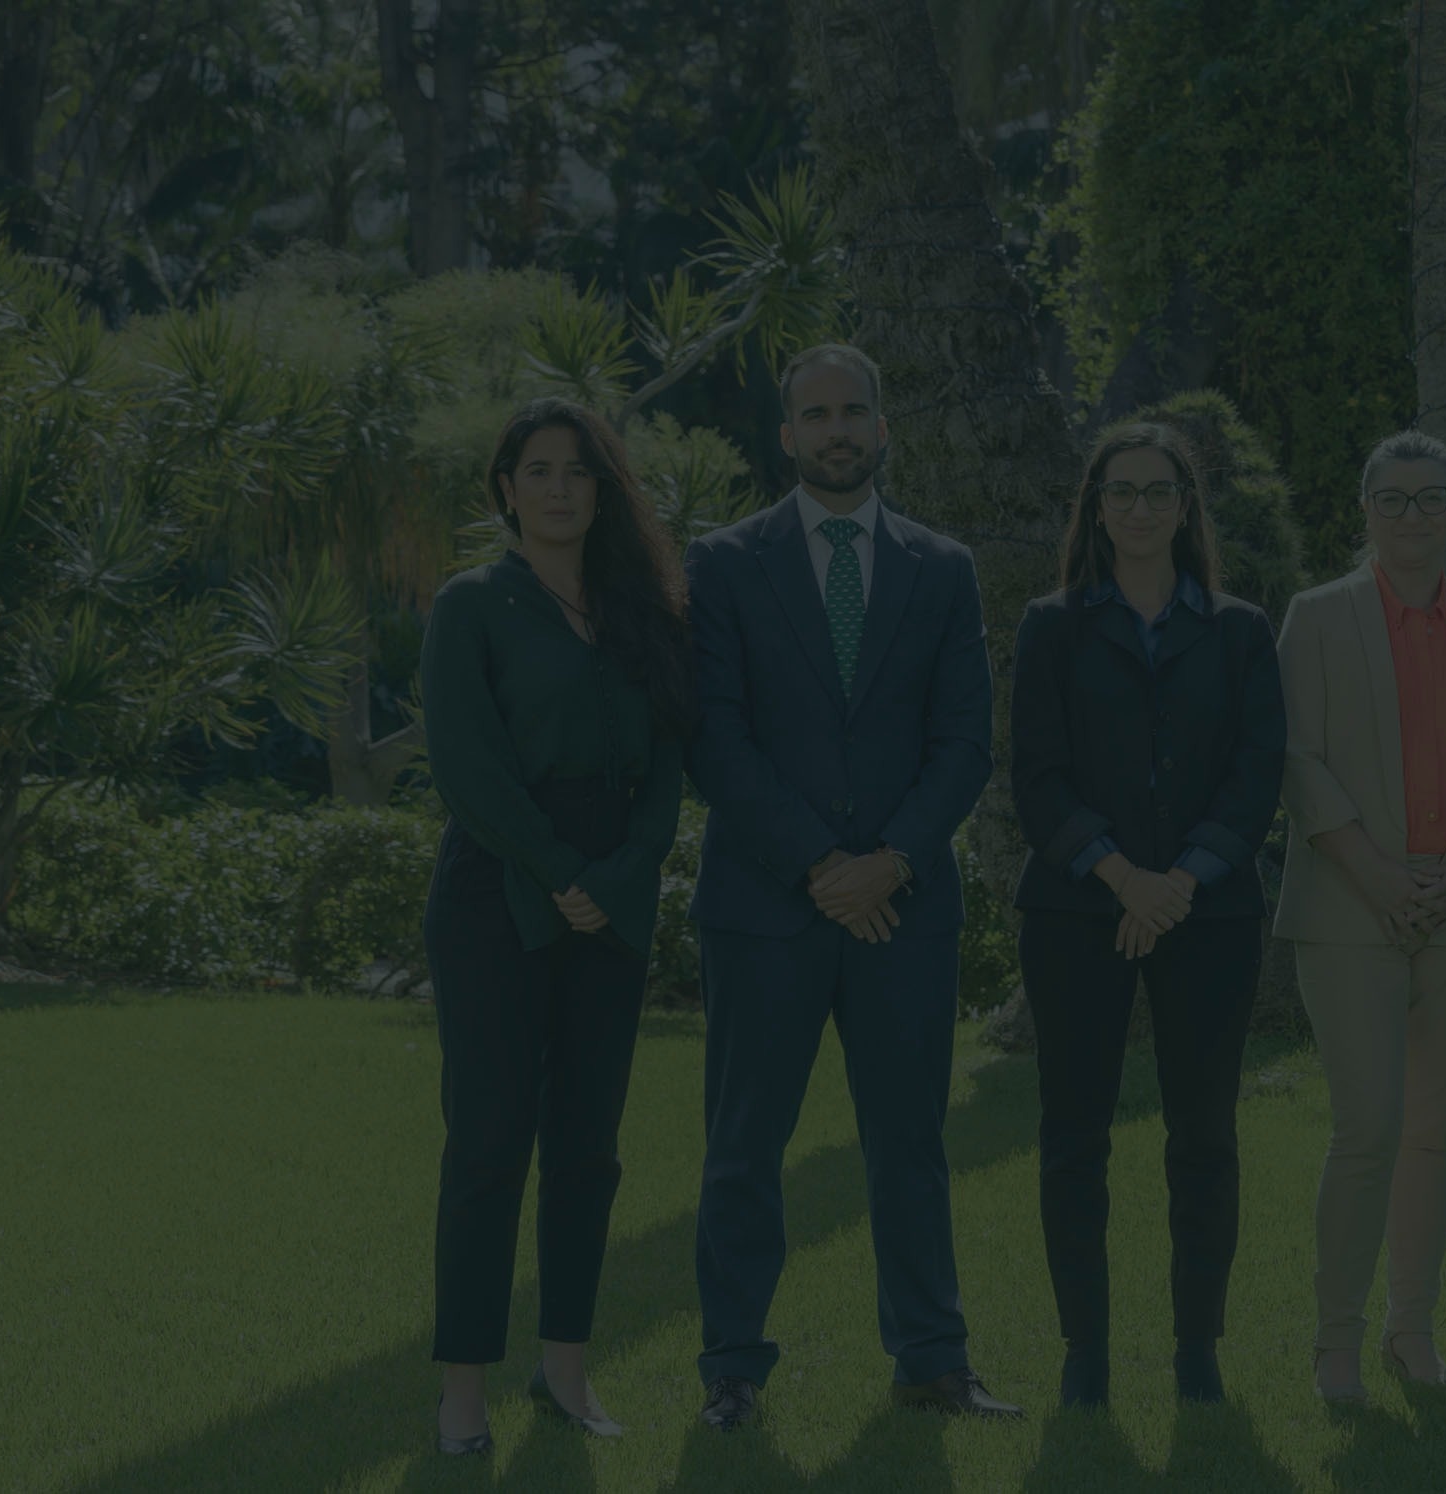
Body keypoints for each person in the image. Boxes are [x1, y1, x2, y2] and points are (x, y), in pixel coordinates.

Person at [683, 343, 1018, 1425]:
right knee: (742, 1148)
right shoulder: (725, 563)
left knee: (909, 1148)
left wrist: (892, 860)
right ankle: (731, 1368)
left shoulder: (942, 566)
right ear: (784, 435)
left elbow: (965, 741)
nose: (834, 430)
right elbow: (715, 741)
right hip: (765, 909)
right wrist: (822, 866)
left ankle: (931, 1359)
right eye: (813, 414)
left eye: (853, 411)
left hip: (903, 911)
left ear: (882, 428)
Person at [420, 398, 693, 1454]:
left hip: (613, 895)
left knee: (588, 1150)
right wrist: (560, 872)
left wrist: (619, 876)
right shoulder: (472, 605)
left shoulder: (642, 607)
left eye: (578, 471)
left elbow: (669, 760)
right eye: (537, 470)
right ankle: (460, 1392)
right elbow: (468, 768)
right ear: (505, 489)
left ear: (602, 489)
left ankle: (566, 1372)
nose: (558, 489)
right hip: (498, 889)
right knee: (489, 1144)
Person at [1009, 422, 1287, 1409]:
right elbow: (1034, 778)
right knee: (1073, 1135)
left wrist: (1180, 881)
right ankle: (1083, 1353)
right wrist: (1122, 876)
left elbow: (1258, 777)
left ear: (1183, 506)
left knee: (1203, 1138)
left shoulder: (1241, 629)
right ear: (1096, 508)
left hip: (1206, 915)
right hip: (1077, 910)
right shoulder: (1052, 626)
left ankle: (1195, 1352)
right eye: (1118, 492)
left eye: (1155, 491)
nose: (1136, 508)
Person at [1275, 430, 1446, 1402]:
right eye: (1393, 500)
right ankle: (1334, 1343)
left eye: (1432, 498)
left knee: (1431, 1131)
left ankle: (1410, 1336)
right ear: (1364, 510)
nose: (1413, 516)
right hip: (1349, 906)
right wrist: (1377, 873)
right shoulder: (1314, 616)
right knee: (1368, 1125)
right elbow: (1296, 758)